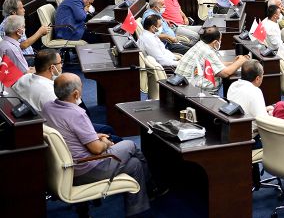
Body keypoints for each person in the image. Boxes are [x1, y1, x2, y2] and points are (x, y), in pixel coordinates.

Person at [41, 74, 155, 216]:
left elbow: (67, 132)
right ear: (76, 93)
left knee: (134, 164)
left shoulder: (47, 107)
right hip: (87, 168)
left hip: (64, 167)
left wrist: (93, 136)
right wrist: (105, 143)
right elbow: (96, 149)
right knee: (131, 145)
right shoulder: (77, 114)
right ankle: (152, 186)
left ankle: (139, 209)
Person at [174, 26, 250, 95]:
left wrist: (233, 63)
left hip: (183, 86)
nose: (220, 42)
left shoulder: (201, 44)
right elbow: (225, 73)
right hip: (193, 91)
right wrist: (241, 61)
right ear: (215, 42)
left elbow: (214, 65)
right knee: (230, 83)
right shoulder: (207, 51)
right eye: (220, 40)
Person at [228, 60, 271, 136]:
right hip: (250, 137)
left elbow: (245, 107)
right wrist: (272, 114)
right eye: (262, 75)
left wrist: (264, 109)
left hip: (234, 130)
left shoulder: (233, 85)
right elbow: (263, 121)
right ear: (257, 78)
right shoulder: (255, 91)